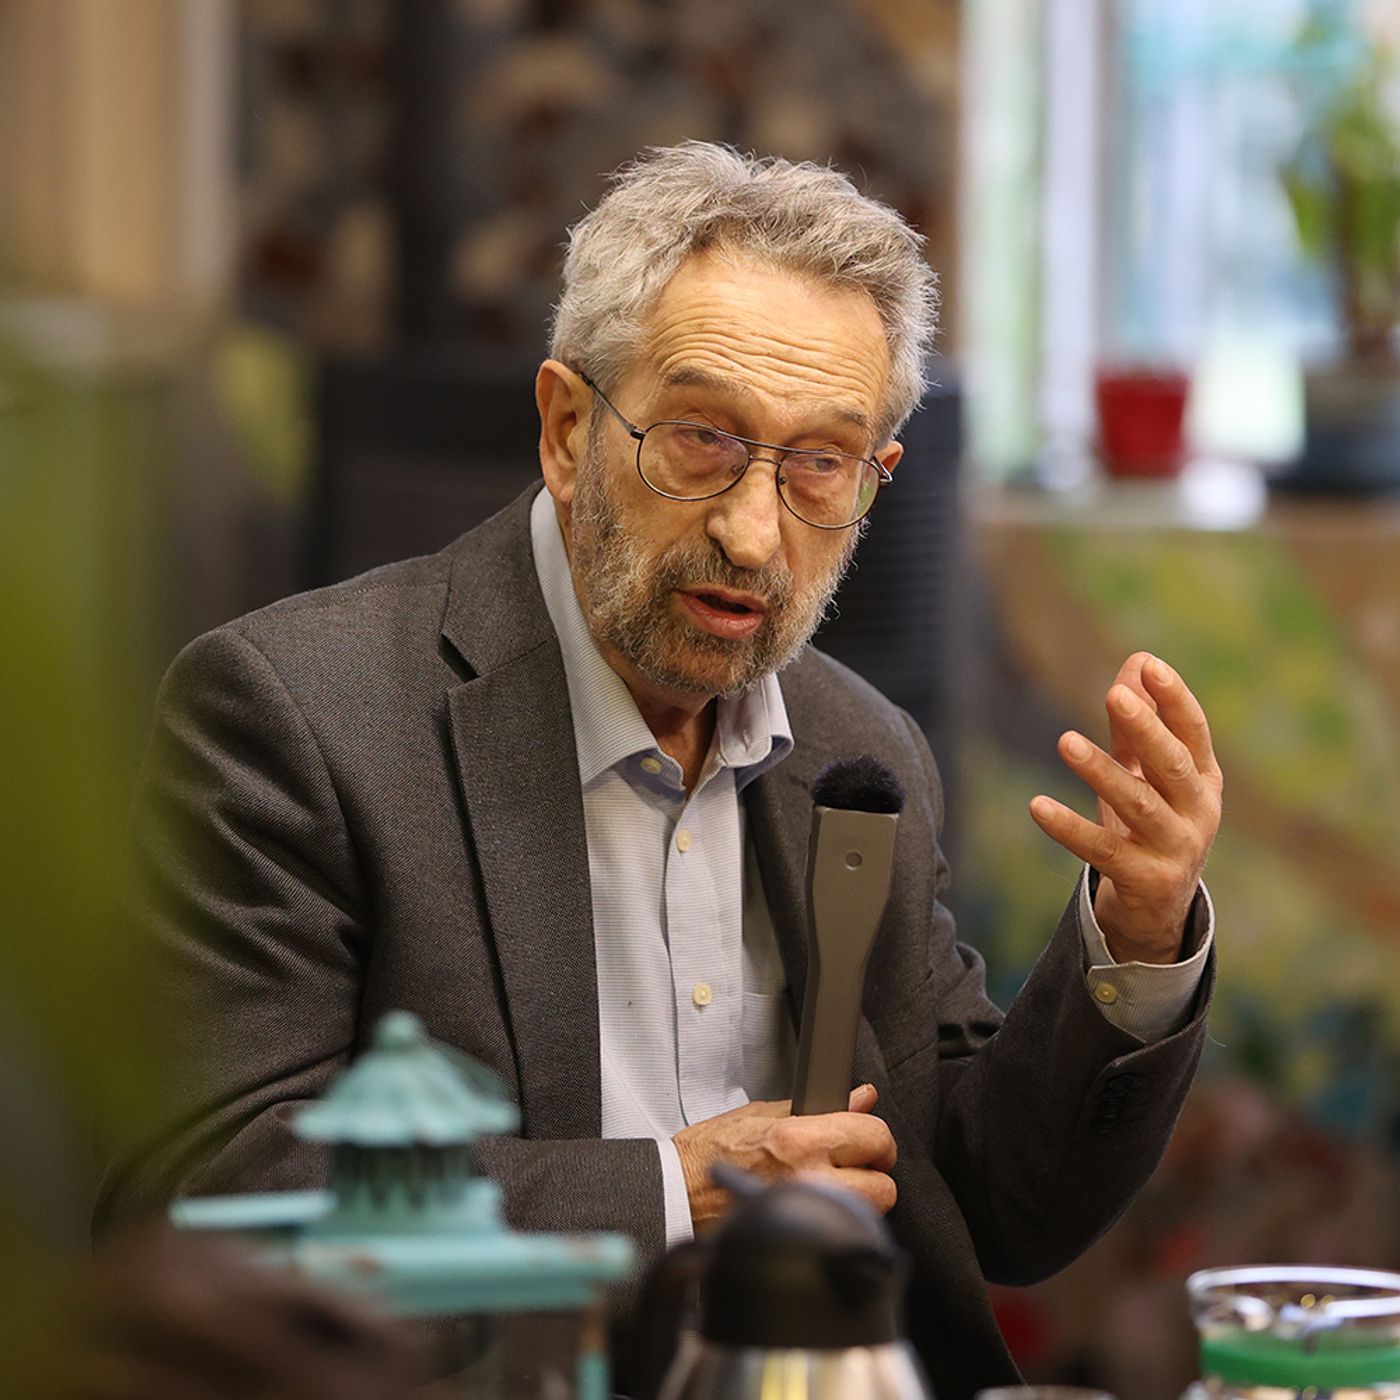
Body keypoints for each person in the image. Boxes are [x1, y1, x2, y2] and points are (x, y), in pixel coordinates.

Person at [104, 143, 1222, 1400]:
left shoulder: (859, 750)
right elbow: (210, 1195)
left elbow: (984, 1200)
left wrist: (1139, 933)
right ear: (566, 429)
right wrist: (672, 1189)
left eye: (819, 463)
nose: (752, 533)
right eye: (699, 440)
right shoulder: (295, 713)